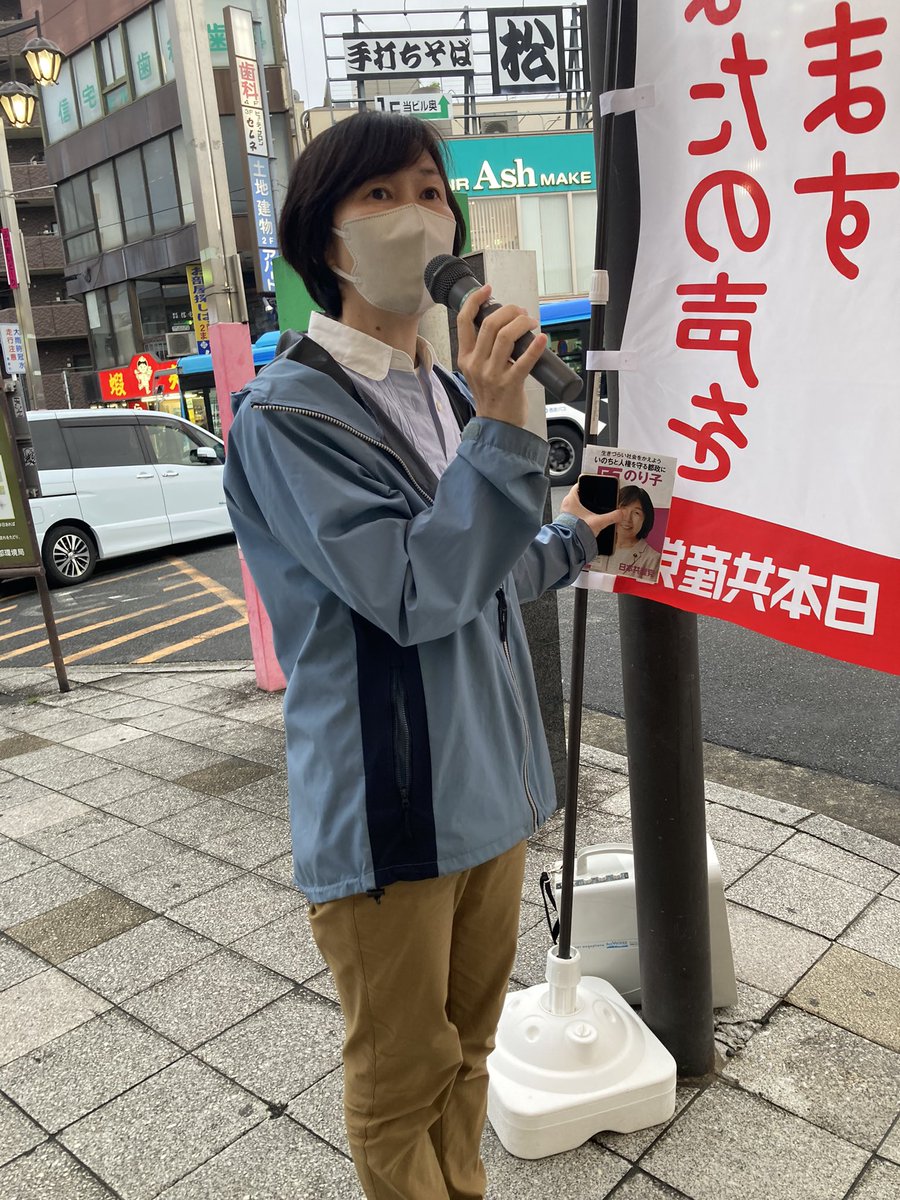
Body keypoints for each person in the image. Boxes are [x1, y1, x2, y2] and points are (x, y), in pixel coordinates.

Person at [222, 110, 621, 1200]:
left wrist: (577, 537)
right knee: (402, 1082)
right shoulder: (288, 416)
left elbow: (481, 570)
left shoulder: (446, 392)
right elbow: (412, 589)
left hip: (491, 793)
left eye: (432, 193)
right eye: (381, 195)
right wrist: (504, 427)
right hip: (395, 812)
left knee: (472, 1055)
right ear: (327, 240)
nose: (418, 215)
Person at [591, 484, 662, 582]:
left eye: (636, 513)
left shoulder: (653, 559)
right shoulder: (596, 544)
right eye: (622, 509)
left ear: (645, 520)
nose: (627, 518)